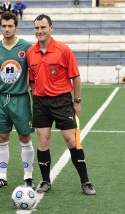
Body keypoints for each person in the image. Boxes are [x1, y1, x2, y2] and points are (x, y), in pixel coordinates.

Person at [27, 14, 96, 195]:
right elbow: (32, 80)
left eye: (43, 27)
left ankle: (85, 182)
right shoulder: (30, 53)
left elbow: (76, 77)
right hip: (40, 103)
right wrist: (35, 95)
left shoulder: (63, 50)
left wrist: (77, 101)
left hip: (62, 101)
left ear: (51, 28)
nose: (39, 31)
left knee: (72, 141)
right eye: (36, 28)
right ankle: (45, 181)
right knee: (43, 142)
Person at [0, 11, 35, 189]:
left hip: (20, 98)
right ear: (0, 27)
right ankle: (2, 177)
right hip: (1, 99)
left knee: (24, 137)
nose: (7, 29)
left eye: (10, 26)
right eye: (4, 26)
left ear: (16, 27)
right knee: (1, 137)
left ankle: (28, 176)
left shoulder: (26, 47)